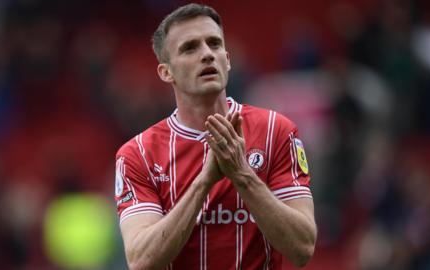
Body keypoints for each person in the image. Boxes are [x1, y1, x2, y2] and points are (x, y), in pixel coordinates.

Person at [114, 3, 317, 269]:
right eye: (190, 48)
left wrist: (242, 175)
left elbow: (302, 248)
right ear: (166, 72)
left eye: (214, 44)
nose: (207, 54)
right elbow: (141, 261)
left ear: (228, 59)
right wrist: (204, 182)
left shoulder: (276, 131)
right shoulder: (138, 154)